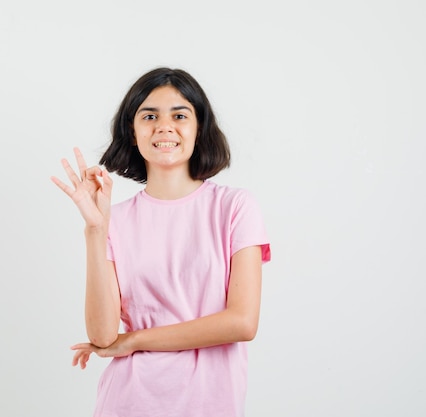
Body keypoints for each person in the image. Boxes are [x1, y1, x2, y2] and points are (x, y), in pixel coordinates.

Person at [50, 67, 271, 417]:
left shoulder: (234, 207)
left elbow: (242, 323)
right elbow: (104, 335)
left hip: (210, 405)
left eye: (180, 115)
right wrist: (96, 229)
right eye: (149, 115)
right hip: (128, 402)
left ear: (199, 129)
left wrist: (136, 340)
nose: (164, 126)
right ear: (133, 132)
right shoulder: (115, 221)